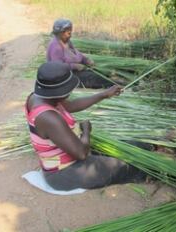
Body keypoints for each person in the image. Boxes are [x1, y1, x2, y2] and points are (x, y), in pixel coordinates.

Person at [25, 61, 145, 190]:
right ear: (57, 91)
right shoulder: (48, 117)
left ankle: (153, 145)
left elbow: (72, 105)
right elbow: (81, 153)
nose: (70, 93)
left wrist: (104, 94)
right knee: (126, 167)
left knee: (129, 146)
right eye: (67, 90)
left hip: (74, 152)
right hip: (64, 172)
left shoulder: (40, 97)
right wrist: (86, 131)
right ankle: (152, 174)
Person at [47, 18, 114, 89]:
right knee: (93, 78)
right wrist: (75, 66)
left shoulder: (66, 41)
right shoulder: (55, 47)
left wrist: (86, 60)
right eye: (68, 32)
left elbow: (75, 53)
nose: (70, 35)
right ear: (61, 33)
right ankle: (115, 86)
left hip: (75, 72)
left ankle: (114, 83)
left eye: (70, 32)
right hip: (65, 77)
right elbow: (58, 67)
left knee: (100, 73)